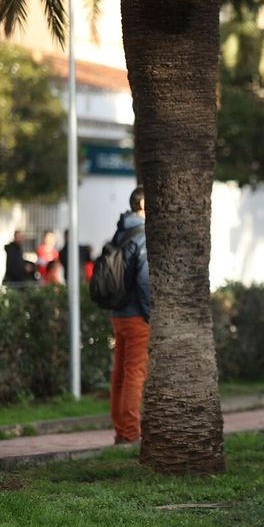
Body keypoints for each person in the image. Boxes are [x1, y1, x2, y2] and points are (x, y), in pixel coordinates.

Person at [107, 188, 151, 444]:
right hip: (136, 314)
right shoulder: (142, 234)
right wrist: (150, 313)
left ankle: (122, 430)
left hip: (119, 312)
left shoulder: (122, 230)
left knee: (121, 374)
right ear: (143, 204)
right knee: (135, 373)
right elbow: (144, 280)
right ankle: (131, 432)